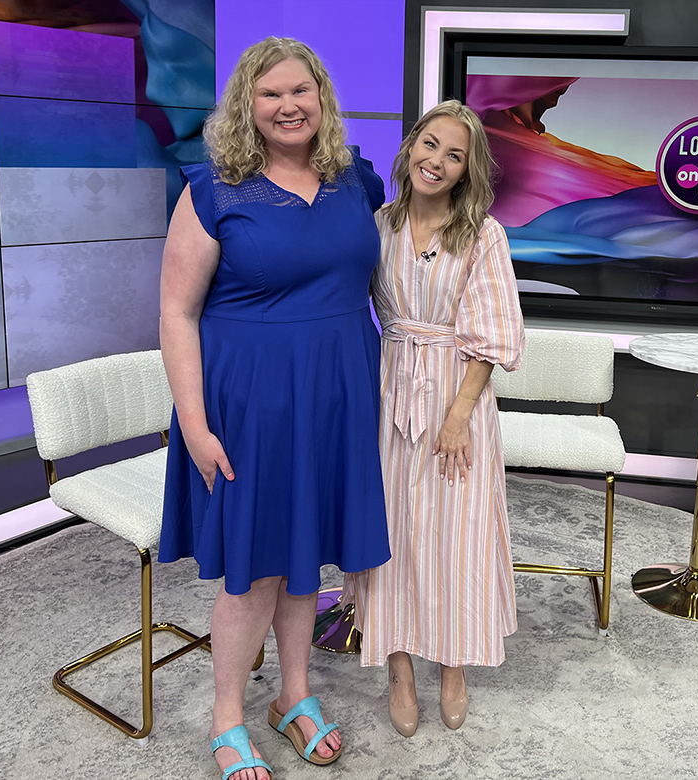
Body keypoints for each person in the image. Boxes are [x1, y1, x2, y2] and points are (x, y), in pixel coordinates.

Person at [157, 37, 391, 780]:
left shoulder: (358, 178)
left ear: (321, 97)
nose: (288, 106)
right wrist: (194, 425)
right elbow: (174, 314)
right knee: (255, 569)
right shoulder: (213, 189)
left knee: (306, 554)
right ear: (246, 107)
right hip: (250, 402)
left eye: (301, 91)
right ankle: (228, 718)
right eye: (270, 94)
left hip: (338, 393)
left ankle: (293, 696)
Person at [343, 100, 525, 737]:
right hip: (388, 389)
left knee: (456, 535)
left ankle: (453, 665)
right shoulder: (377, 224)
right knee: (391, 532)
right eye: (429, 144)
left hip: (457, 394)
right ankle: (396, 666)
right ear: (409, 146)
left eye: (455, 155)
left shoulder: (482, 233)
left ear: (467, 171)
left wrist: (458, 417)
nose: (437, 162)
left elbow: (493, 335)